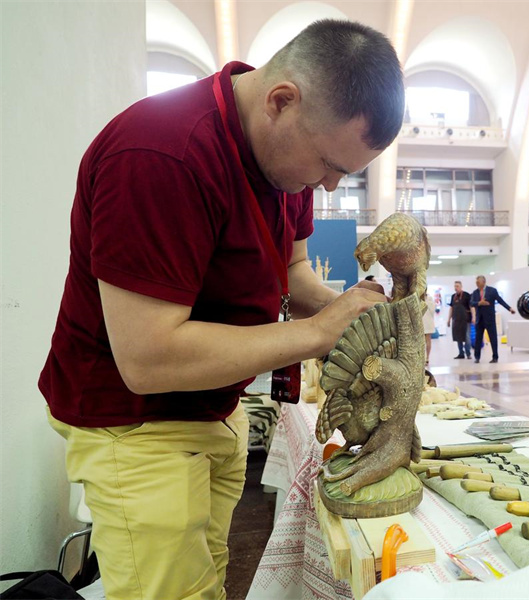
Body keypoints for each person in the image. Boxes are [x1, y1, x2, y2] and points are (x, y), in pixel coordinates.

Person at [38, 20, 404, 600]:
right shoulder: (161, 154)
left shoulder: (287, 162)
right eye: (330, 164)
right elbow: (148, 359)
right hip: (136, 420)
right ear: (281, 102)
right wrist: (314, 334)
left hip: (214, 405)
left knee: (206, 583)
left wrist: (350, 311)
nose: (331, 186)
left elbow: (292, 273)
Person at [470, 275, 516, 363]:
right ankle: (477, 357)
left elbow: (500, 300)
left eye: (478, 282)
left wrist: (509, 308)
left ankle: (495, 357)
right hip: (479, 319)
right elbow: (471, 303)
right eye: (476, 282)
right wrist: (480, 303)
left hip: (490, 318)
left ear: (483, 282)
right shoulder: (475, 293)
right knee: (478, 338)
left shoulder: (492, 291)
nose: (476, 284)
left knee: (493, 338)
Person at [447, 280, 472, 359]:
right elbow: (451, 308)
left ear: (461, 287)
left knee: (467, 337)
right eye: (455, 286)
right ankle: (461, 353)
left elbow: (471, 307)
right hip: (456, 320)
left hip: (466, 320)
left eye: (457, 286)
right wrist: (449, 319)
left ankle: (468, 353)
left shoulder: (467, 295)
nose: (456, 288)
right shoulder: (453, 296)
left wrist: (474, 317)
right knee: (458, 337)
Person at [422, 292, 436, 365]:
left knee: (428, 341)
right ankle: (423, 358)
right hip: (420, 322)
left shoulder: (429, 299)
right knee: (421, 342)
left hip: (428, 322)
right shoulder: (418, 298)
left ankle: (427, 357)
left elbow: (432, 310)